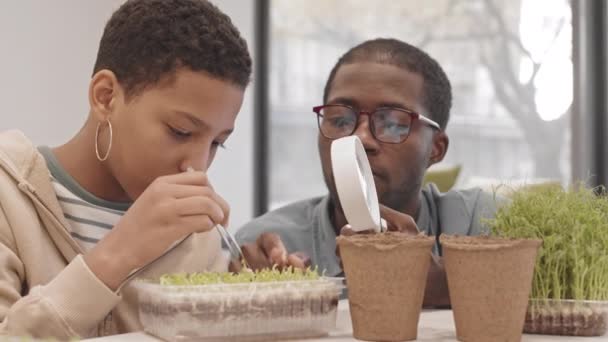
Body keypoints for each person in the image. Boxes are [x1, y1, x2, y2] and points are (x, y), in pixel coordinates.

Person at [0, 0, 303, 339]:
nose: (197, 166)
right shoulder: (8, 197)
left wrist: (253, 300)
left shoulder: (197, 236)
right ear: (106, 97)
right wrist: (118, 253)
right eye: (180, 132)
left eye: (218, 142)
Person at [237, 38, 499, 307]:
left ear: (436, 148)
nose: (361, 138)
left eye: (394, 124)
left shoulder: (483, 224)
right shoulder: (267, 250)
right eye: (340, 120)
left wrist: (448, 286)